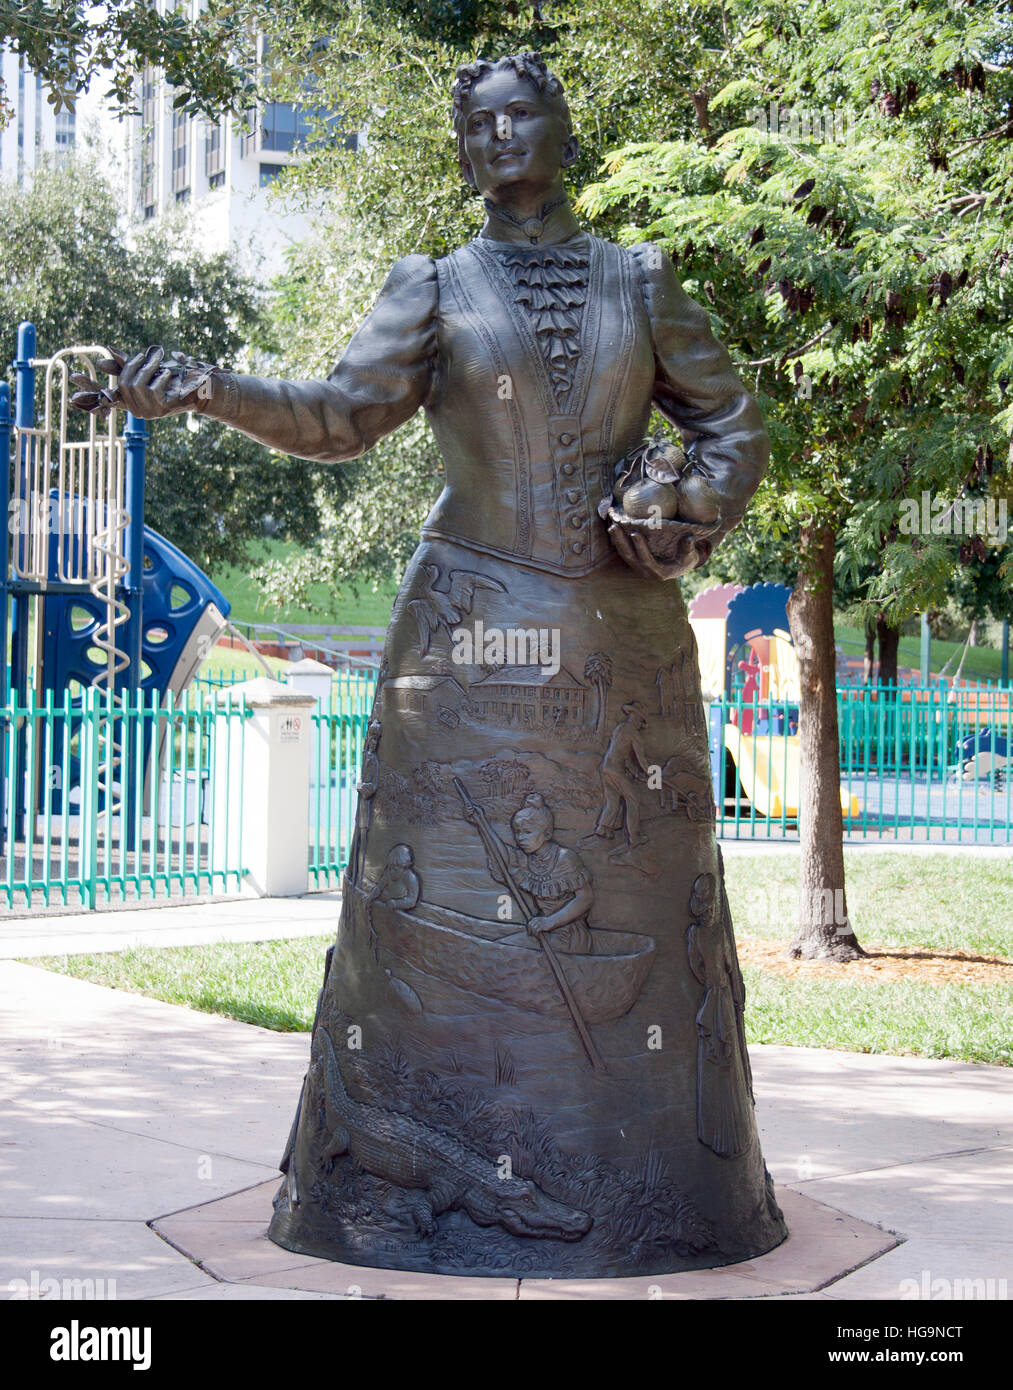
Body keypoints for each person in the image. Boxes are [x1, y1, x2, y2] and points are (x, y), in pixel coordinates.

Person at [74, 51, 784, 1280]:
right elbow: (339, 415)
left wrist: (685, 511)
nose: (503, 135)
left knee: (629, 895)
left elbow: (729, 420)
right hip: (460, 636)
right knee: (435, 909)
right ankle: (403, 1190)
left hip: (622, 642)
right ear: (464, 151)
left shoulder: (642, 278)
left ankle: (663, 1195)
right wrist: (202, 386)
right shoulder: (436, 288)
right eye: (480, 124)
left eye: (524, 113)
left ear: (564, 129)